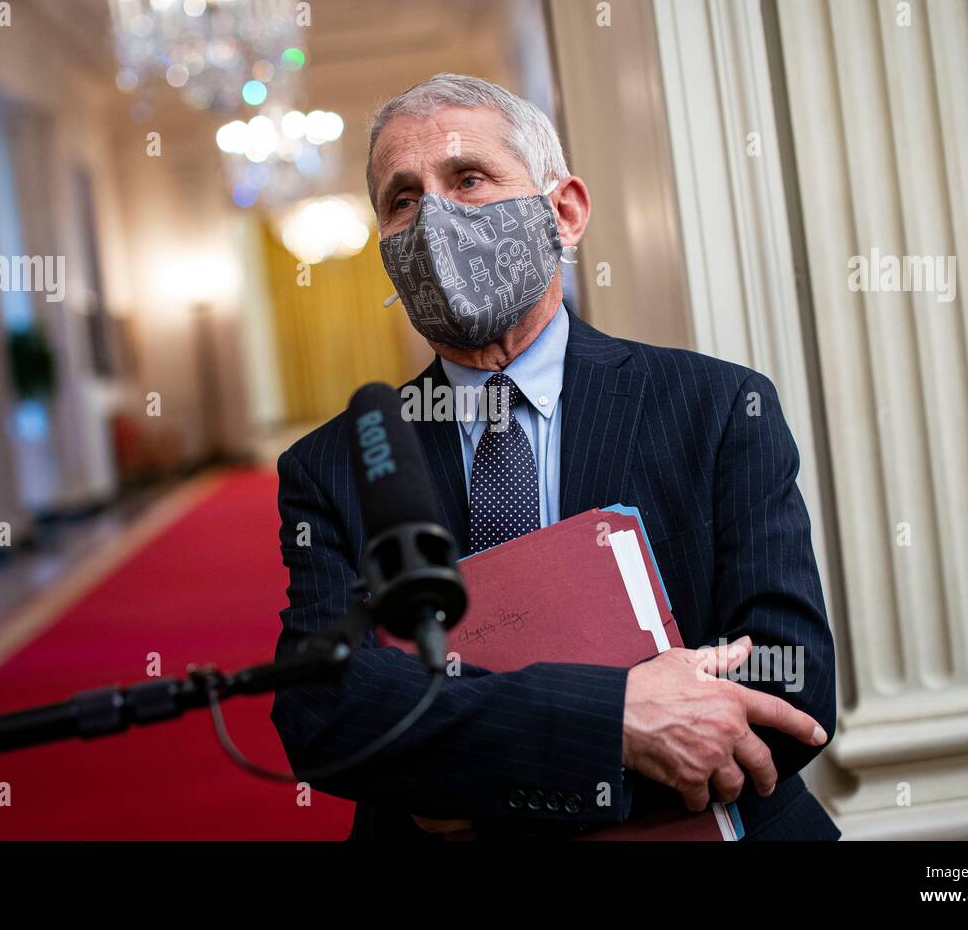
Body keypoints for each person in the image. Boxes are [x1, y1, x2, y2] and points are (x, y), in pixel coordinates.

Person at [270, 73, 839, 840]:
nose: (434, 218)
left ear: (563, 212)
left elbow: (790, 686)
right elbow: (326, 714)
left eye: (468, 179)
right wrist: (613, 722)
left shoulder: (716, 408)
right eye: (402, 199)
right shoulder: (335, 464)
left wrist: (466, 778)